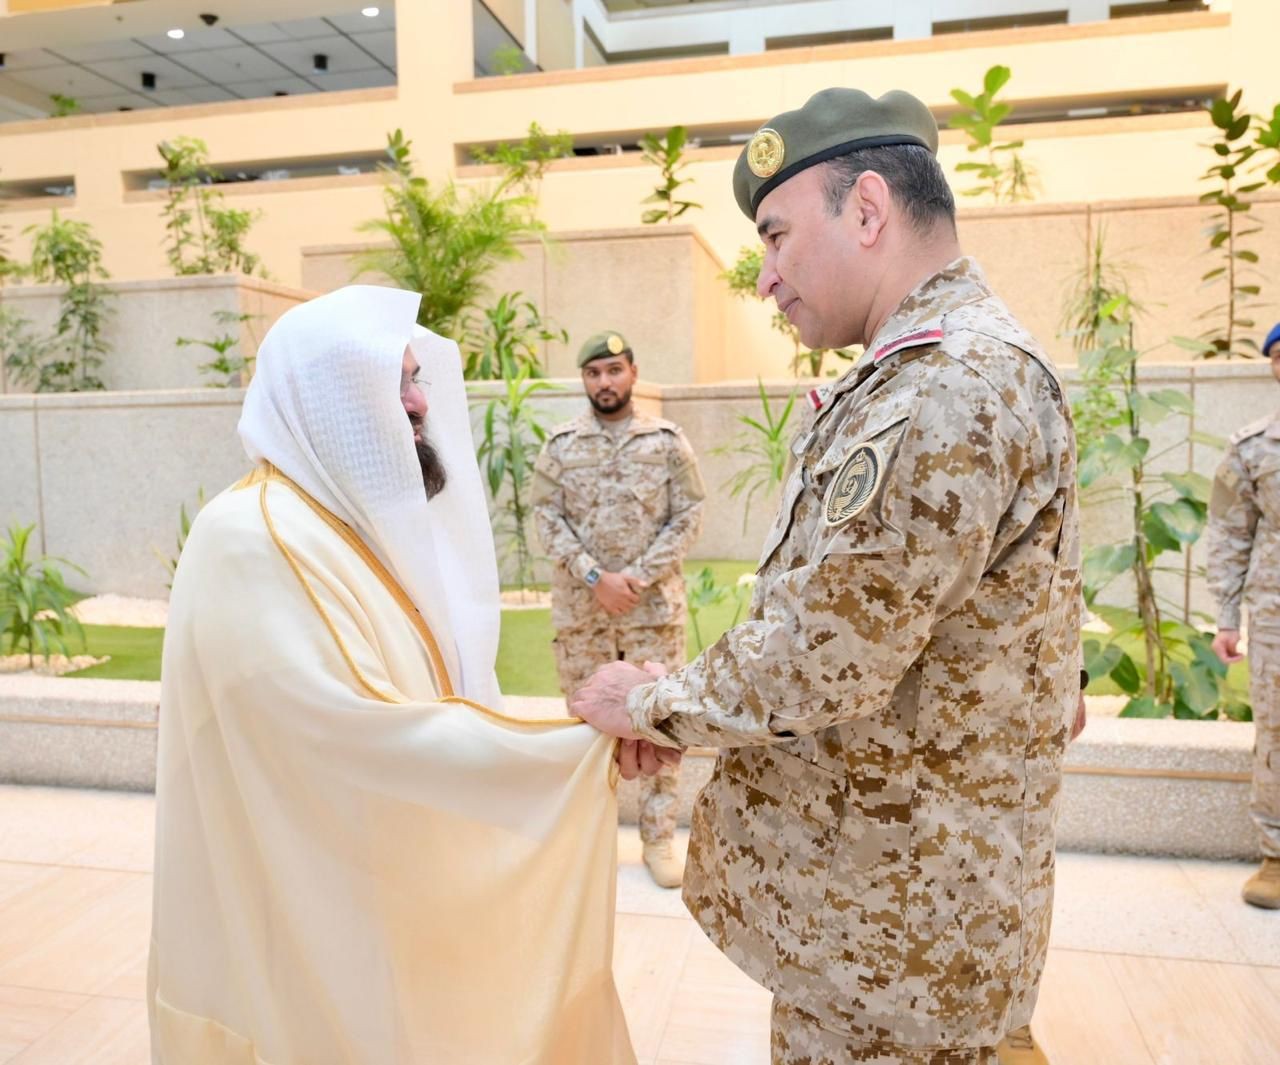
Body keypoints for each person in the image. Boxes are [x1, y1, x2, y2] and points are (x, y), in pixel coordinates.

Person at [571, 88, 1082, 1064]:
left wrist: (649, 703)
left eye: (773, 238)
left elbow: (823, 653)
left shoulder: (943, 382)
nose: (763, 279)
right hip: (889, 912)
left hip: (894, 936)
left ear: (865, 210)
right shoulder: (952, 366)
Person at [147, 285, 651, 1064]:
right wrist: (571, 741)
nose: (420, 405)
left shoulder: (334, 522)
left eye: (418, 380)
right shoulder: (250, 537)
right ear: (325, 401)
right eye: (396, 385)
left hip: (366, 878)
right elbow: (355, 732)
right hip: (294, 894)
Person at [532, 330, 706, 887]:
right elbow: (546, 518)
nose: (604, 382)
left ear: (632, 372)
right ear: (584, 381)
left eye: (613, 370)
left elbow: (689, 512)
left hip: (651, 609)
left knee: (660, 720)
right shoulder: (560, 446)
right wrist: (594, 576)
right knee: (584, 726)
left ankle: (658, 841)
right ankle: (589, 842)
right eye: (593, 373)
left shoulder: (667, 441)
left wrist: (636, 577)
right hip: (584, 614)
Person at [1207, 320, 1280, 910]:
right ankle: (1276, 857)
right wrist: (1227, 618)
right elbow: (1231, 534)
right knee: (1276, 734)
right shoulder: (1254, 447)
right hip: (1276, 615)